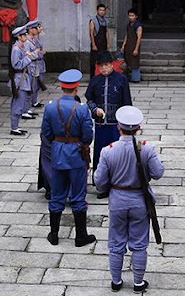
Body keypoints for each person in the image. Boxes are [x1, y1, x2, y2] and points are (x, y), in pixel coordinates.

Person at [94, 106, 164, 294]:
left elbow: (99, 182)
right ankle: (138, 283)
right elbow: (158, 173)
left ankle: (116, 281)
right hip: (140, 200)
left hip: (117, 200)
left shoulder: (107, 151)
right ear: (138, 128)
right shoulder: (146, 148)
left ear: (118, 127)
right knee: (139, 243)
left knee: (116, 242)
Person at [42, 69, 97, 248]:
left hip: (58, 154)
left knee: (57, 194)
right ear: (76, 88)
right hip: (76, 155)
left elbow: (46, 133)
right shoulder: (82, 109)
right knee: (78, 195)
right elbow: (88, 135)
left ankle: (54, 234)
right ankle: (80, 236)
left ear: (61, 87)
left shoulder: (50, 107)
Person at [85, 51, 132, 199]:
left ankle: (119, 184)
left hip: (116, 126)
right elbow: (89, 98)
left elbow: (127, 102)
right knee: (100, 155)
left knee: (117, 155)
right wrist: (95, 109)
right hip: (101, 126)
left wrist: (127, 124)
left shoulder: (121, 79)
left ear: (112, 65)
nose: (104, 68)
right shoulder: (95, 81)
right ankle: (102, 185)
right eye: (101, 66)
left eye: (106, 65)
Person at [10, 25, 34, 136]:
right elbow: (16, 65)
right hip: (19, 79)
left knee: (21, 102)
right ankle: (14, 127)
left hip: (23, 78)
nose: (26, 36)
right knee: (18, 104)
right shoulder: (16, 49)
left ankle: (16, 126)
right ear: (19, 37)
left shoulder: (21, 47)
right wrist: (27, 58)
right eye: (24, 35)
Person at [121, 9, 143, 83]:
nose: (131, 17)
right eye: (129, 15)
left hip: (134, 45)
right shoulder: (129, 25)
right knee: (127, 61)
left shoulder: (138, 26)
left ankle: (136, 78)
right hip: (128, 45)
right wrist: (123, 45)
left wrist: (136, 49)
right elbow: (127, 35)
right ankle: (127, 78)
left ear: (136, 16)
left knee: (135, 63)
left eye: (132, 16)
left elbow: (139, 38)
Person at [26, 20, 44, 109]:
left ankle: (34, 101)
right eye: (36, 28)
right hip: (31, 66)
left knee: (35, 86)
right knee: (31, 86)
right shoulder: (27, 41)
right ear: (30, 29)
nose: (37, 30)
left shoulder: (34, 39)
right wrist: (38, 53)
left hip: (36, 65)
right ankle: (28, 105)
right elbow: (28, 55)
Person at [89, 4, 109, 76]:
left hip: (103, 43)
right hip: (96, 42)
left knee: (103, 60)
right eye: (100, 10)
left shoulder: (105, 21)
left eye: (103, 10)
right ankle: (92, 76)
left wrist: (108, 43)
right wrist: (93, 44)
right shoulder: (93, 20)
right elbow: (91, 33)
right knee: (93, 61)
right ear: (97, 11)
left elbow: (106, 32)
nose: (102, 12)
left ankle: (102, 75)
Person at [32, 20, 47, 107]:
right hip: (36, 63)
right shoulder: (33, 40)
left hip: (40, 63)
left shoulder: (37, 38)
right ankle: (33, 101)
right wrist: (41, 52)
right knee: (35, 84)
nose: (41, 29)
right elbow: (35, 53)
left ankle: (35, 100)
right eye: (39, 27)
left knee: (37, 84)